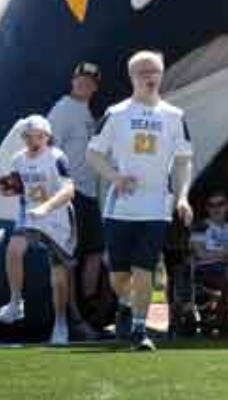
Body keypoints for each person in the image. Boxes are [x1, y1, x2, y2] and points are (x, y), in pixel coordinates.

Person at [86, 50, 195, 352]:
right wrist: (116, 177)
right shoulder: (117, 113)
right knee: (120, 275)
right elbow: (93, 154)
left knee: (144, 268)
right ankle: (124, 301)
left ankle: (138, 329)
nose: (150, 77)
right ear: (131, 77)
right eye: (143, 72)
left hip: (156, 206)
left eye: (155, 71)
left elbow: (184, 160)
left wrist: (182, 196)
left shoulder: (175, 116)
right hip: (120, 206)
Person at [0, 115, 78, 345]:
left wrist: (47, 207)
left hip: (57, 217)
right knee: (14, 249)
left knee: (58, 277)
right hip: (30, 216)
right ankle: (15, 301)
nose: (33, 141)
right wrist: (8, 189)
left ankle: (60, 323)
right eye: (29, 136)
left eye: (38, 136)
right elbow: (21, 188)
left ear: (47, 137)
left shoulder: (57, 157)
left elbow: (69, 190)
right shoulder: (18, 159)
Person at [45, 61, 103, 338]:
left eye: (90, 81)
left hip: (89, 193)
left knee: (93, 253)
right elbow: (47, 148)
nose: (84, 83)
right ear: (73, 80)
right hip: (71, 192)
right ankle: (73, 317)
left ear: (95, 86)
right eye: (81, 78)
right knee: (70, 257)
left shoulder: (85, 111)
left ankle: (89, 313)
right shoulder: (64, 108)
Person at [190, 191, 228, 331]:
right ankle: (225, 312)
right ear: (207, 208)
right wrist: (225, 254)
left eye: (220, 204)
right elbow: (200, 254)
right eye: (211, 205)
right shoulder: (201, 226)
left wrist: (226, 255)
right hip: (206, 269)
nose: (216, 208)